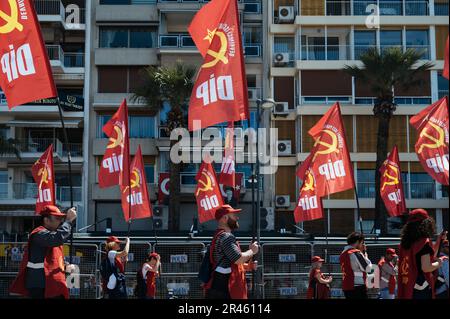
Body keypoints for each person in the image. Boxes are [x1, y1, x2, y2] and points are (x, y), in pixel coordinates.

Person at [9, 205, 77, 299]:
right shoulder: (38, 234)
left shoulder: (48, 235)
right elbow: (57, 238)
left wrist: (65, 266)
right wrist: (68, 221)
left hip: (51, 285)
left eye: (61, 218)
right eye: (57, 218)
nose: (60, 221)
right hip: (41, 286)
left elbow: (53, 258)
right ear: (46, 220)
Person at [205, 204, 258, 299]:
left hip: (219, 286)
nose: (237, 218)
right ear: (225, 218)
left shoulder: (219, 235)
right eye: (233, 215)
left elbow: (227, 262)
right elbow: (238, 259)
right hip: (224, 289)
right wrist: (252, 251)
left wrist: (247, 266)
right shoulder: (226, 237)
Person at [398, 209, 447, 299]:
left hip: (407, 286)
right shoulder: (423, 242)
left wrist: (439, 240)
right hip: (421, 289)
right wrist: (439, 263)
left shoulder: (404, 243)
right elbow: (426, 267)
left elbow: (429, 255)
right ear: (426, 223)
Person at [340, 232, 372, 299]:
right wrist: (365, 255)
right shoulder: (356, 253)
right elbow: (368, 268)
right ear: (357, 241)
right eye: (361, 243)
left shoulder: (343, 253)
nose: (362, 245)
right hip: (357, 286)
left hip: (347, 285)